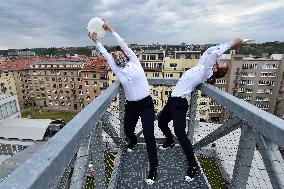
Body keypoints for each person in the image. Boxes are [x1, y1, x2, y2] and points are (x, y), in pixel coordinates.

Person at [158, 38, 252, 182]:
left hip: (180, 102)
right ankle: (170, 141)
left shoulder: (206, 71)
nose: (218, 61)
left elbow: (213, 55)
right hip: (173, 99)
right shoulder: (203, 66)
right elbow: (209, 52)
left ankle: (193, 166)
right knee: (162, 122)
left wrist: (233, 43)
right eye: (221, 61)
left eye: (220, 64)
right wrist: (233, 42)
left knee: (181, 135)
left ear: (216, 70)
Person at [88, 22, 158, 185]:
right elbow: (105, 54)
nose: (116, 54)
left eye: (119, 53)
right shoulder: (117, 69)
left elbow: (122, 44)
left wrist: (111, 30)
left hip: (146, 104)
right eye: (115, 54)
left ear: (125, 55)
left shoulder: (134, 61)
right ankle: (132, 141)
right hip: (132, 105)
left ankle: (153, 168)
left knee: (149, 135)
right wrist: (96, 42)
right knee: (127, 129)